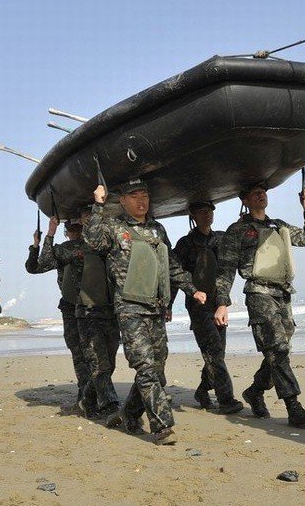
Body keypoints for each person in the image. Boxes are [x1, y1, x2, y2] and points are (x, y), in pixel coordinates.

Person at [84, 178, 207, 445]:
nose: (142, 201)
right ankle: (162, 425)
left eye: (145, 196)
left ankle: (128, 414)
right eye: (135, 196)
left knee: (157, 370)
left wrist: (191, 289)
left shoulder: (158, 230)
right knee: (146, 367)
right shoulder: (115, 228)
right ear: (124, 201)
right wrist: (98, 205)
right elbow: (93, 242)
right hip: (129, 308)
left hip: (156, 308)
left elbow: (171, 265)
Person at [215, 182, 305, 429]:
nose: (261, 194)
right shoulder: (237, 231)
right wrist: (222, 303)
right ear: (245, 199)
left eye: (263, 191)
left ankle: (255, 390)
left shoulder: (279, 226)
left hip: (283, 294)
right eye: (255, 191)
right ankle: (294, 407)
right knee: (278, 348)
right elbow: (226, 269)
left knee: (279, 350)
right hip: (258, 293)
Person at [172, 201, 243, 414]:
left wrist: (223, 302)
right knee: (213, 349)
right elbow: (174, 274)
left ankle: (203, 390)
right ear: (192, 215)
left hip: (219, 302)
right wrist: (169, 304)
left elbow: (229, 266)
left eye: (210, 211)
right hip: (197, 304)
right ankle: (226, 399)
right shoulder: (185, 244)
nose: (207, 215)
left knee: (217, 351)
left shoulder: (221, 239)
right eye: (202, 211)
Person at [37, 216, 92, 410]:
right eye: (73, 229)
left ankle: (90, 393)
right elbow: (41, 265)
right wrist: (49, 235)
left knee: (91, 354)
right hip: (71, 306)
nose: (75, 233)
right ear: (67, 231)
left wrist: (49, 235)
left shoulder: (95, 245)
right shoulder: (63, 250)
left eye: (79, 228)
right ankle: (86, 393)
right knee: (80, 353)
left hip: (93, 307)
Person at [74, 207, 122, 418]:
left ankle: (87, 398)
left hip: (112, 312)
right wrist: (46, 238)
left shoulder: (112, 245)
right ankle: (111, 405)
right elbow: (39, 265)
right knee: (99, 364)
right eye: (86, 217)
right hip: (88, 312)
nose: (90, 220)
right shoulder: (74, 248)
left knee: (109, 364)